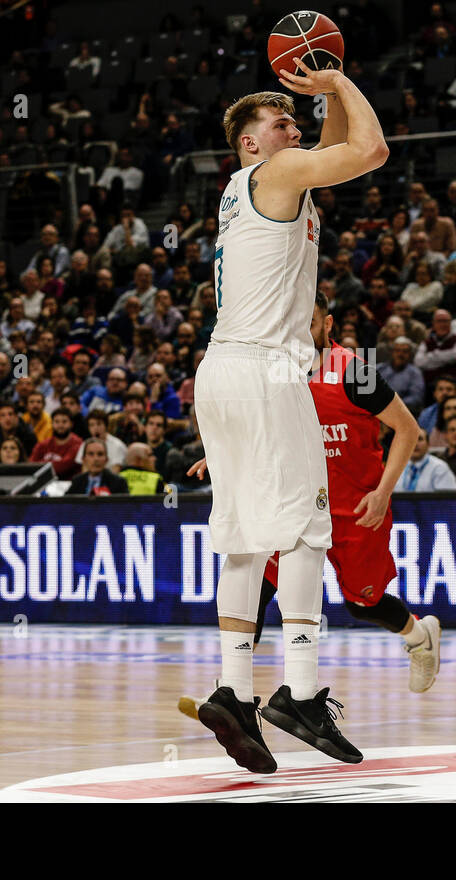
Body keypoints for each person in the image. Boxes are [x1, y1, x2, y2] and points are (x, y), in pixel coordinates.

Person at [190, 65, 386, 775]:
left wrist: (323, 99)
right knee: (306, 529)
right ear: (250, 143)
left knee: (244, 540)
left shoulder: (255, 189)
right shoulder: (275, 175)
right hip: (269, 370)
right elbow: (370, 150)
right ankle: (300, 693)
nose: (294, 129)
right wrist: (338, 77)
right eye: (281, 123)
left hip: (221, 371)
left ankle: (234, 693)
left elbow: (328, 157)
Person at [183, 293, 433, 705]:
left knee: (364, 603)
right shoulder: (278, 371)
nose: (300, 329)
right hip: (296, 505)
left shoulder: (355, 371)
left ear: (328, 323)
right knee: (258, 586)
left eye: (310, 321)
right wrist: (218, 453)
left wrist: (382, 492)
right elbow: (262, 431)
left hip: (356, 509)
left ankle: (420, 637)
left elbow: (407, 429)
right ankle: (232, 693)